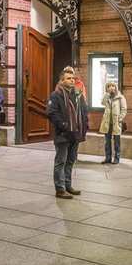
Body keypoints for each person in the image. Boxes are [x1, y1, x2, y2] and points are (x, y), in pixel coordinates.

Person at [46, 67, 89, 199]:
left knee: (70, 160)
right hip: (63, 134)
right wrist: (64, 126)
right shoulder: (56, 95)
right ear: (62, 80)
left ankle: (68, 185)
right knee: (61, 161)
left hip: (75, 133)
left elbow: (84, 111)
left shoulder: (78, 94)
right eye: (68, 78)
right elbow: (52, 113)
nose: (71, 80)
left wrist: (85, 125)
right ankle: (60, 188)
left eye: (73, 78)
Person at [99, 81, 127, 164]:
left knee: (116, 142)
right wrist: (107, 94)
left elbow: (124, 109)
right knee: (107, 142)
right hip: (107, 123)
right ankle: (108, 158)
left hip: (116, 123)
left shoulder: (120, 97)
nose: (111, 88)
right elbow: (102, 102)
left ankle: (116, 158)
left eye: (113, 86)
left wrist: (120, 119)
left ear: (116, 87)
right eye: (109, 86)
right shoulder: (107, 97)